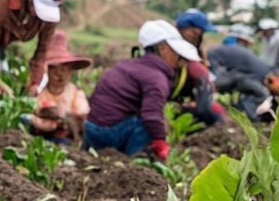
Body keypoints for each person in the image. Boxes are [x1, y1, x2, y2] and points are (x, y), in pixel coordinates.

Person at [83, 20, 200, 159]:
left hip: (89, 130)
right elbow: (152, 115)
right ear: (163, 48)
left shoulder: (128, 65)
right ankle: (136, 162)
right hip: (106, 134)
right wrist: (161, 143)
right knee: (150, 124)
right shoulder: (156, 77)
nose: (178, 57)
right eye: (175, 52)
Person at [25, 32, 91, 144]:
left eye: (65, 69)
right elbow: (28, 115)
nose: (59, 74)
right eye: (54, 69)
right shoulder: (38, 93)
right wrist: (39, 121)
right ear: (47, 70)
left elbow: (81, 117)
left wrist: (63, 117)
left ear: (71, 71)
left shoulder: (76, 94)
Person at [171, 9, 222, 126]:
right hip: (170, 101)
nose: (198, 37)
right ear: (187, 31)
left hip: (183, 98)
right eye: (196, 33)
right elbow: (201, 73)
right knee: (213, 113)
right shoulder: (173, 49)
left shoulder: (192, 49)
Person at [208, 41, 273, 121]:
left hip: (219, 57)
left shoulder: (262, 68)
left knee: (252, 90)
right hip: (217, 58)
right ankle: (251, 117)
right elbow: (243, 81)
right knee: (263, 93)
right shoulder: (261, 72)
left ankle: (240, 109)